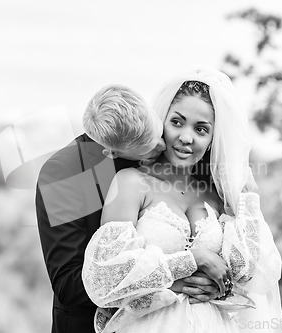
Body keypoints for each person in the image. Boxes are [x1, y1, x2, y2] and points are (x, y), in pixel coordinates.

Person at [81, 68, 282, 333]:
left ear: (212, 139)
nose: (187, 138)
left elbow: (251, 274)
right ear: (161, 121)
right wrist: (191, 261)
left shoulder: (218, 196)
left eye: (201, 129)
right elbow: (105, 280)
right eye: (177, 122)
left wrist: (246, 200)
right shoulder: (130, 183)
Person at [36, 84, 214, 333]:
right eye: (150, 147)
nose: (162, 147)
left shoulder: (142, 134)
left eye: (159, 132)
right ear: (112, 151)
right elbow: (69, 284)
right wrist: (175, 278)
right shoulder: (63, 174)